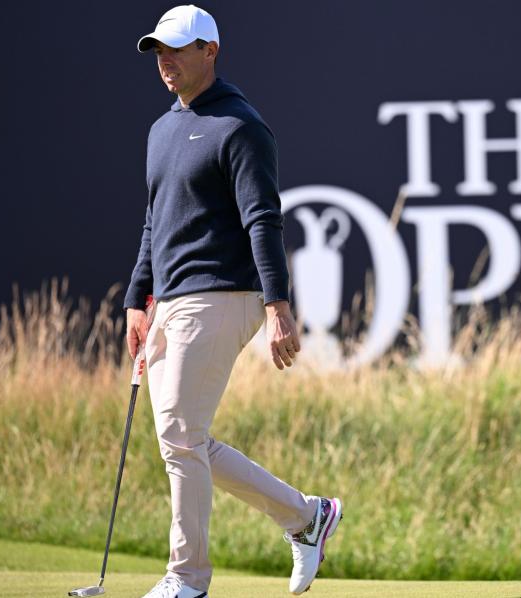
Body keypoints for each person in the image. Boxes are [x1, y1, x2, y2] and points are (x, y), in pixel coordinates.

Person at [122, 5, 342, 597]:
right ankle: (307, 517)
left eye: (176, 49)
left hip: (226, 292)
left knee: (177, 430)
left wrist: (278, 307)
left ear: (210, 51)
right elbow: (154, 222)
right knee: (185, 438)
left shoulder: (241, 126)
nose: (165, 61)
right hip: (169, 298)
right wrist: (137, 300)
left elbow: (263, 220)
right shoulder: (162, 130)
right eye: (158, 51)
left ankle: (187, 580)